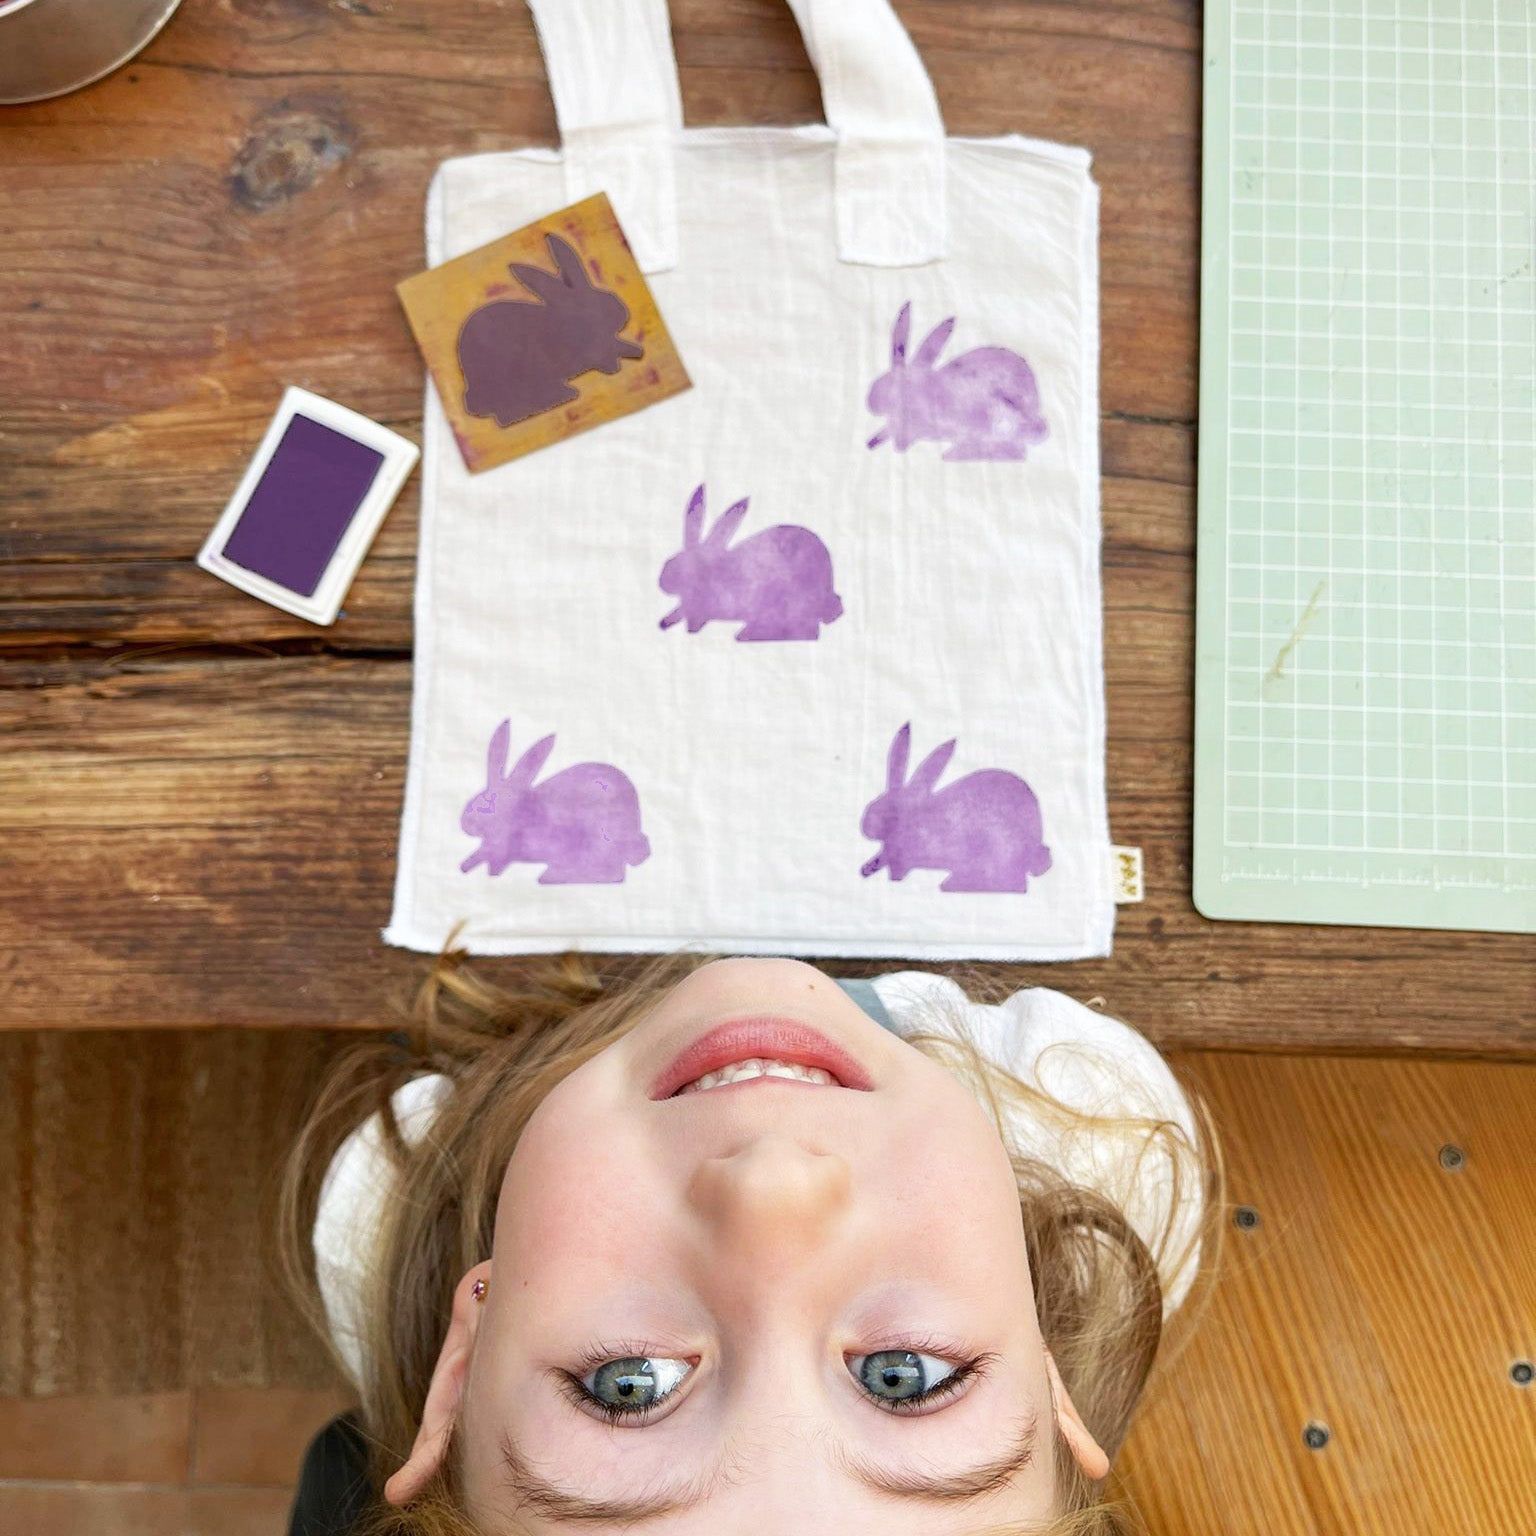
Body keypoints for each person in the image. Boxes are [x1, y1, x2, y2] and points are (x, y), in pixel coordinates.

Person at [279, 949, 1222, 1536]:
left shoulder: (379, 1202)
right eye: (905, 1374)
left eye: (629, 1384)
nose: (772, 1182)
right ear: (1050, 1371)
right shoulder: (1098, 1118)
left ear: (465, 1361)